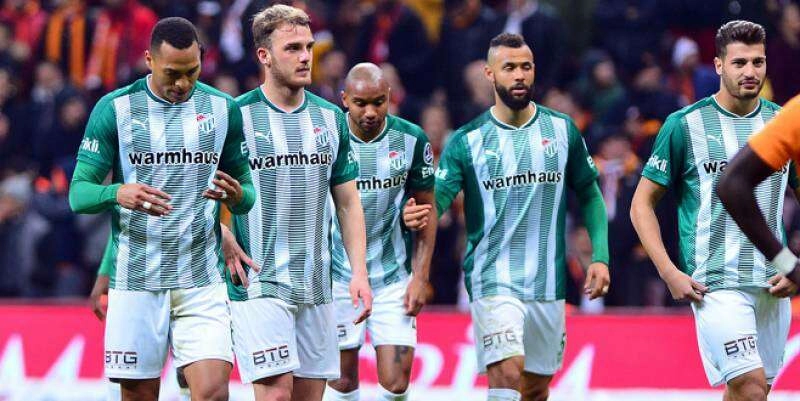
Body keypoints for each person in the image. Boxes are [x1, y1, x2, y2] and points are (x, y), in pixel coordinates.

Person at [406, 32, 609, 401]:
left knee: (535, 389)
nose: (519, 75)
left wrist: (600, 257)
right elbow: (435, 204)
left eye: (525, 67)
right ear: (490, 74)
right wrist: (417, 233)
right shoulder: (466, 141)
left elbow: (591, 194)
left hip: (547, 284)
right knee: (508, 370)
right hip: (492, 279)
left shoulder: (562, 130)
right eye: (509, 67)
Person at [69, 17, 255, 401]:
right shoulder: (115, 109)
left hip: (201, 279)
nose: (182, 84)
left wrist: (237, 197)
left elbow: (248, 194)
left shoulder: (222, 109)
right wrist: (117, 192)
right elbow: (78, 194)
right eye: (172, 73)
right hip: (136, 280)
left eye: (192, 72)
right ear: (149, 60)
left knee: (213, 393)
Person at [631, 20, 797, 401]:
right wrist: (668, 271)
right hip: (715, 283)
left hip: (773, 284)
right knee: (750, 387)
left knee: (751, 392)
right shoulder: (684, 125)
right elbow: (641, 204)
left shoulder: (782, 122)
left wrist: (795, 266)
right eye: (739, 63)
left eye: (758, 62)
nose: (750, 71)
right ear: (719, 65)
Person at [219, 5, 372, 401]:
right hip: (259, 281)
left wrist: (359, 272)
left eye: (308, 46)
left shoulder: (331, 118)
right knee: (275, 395)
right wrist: (219, 230)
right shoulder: (235, 116)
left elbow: (348, 203)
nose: (306, 57)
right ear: (264, 56)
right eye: (292, 48)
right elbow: (195, 184)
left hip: (317, 285)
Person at [321, 63, 436, 401]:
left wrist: (420, 277)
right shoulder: (326, 138)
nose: (370, 112)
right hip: (337, 277)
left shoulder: (411, 139)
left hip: (392, 277)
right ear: (344, 99)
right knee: (342, 382)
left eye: (378, 102)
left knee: (396, 383)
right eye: (360, 103)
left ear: (389, 97)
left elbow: (427, 209)